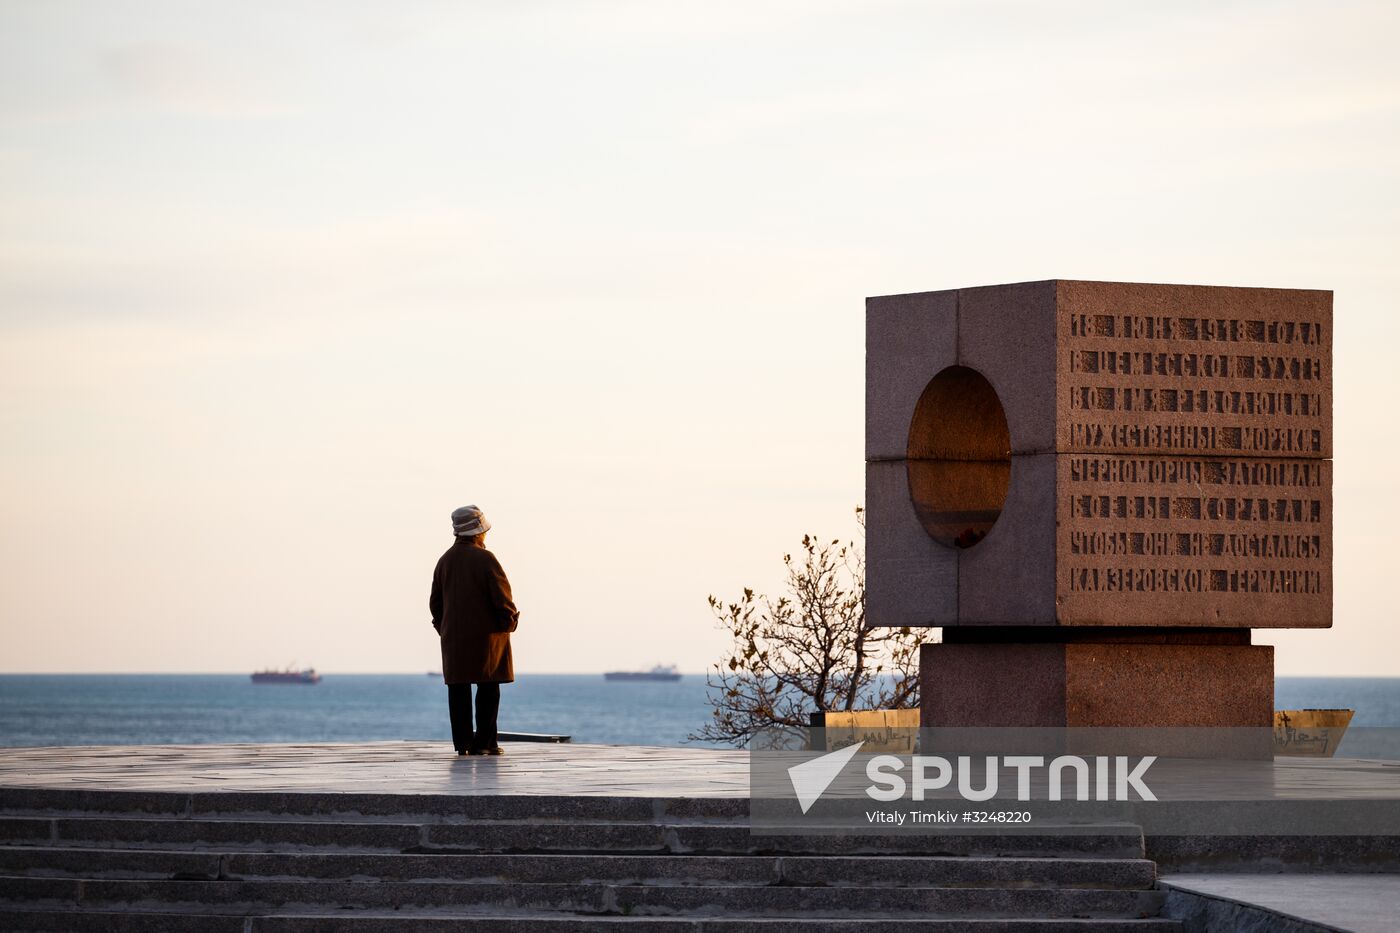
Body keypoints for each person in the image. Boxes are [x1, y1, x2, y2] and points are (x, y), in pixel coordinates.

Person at [429, 504, 519, 756]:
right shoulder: (486, 559)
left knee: (458, 690)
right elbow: (502, 597)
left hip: (453, 639)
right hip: (487, 638)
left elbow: (435, 603)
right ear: (479, 532)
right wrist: (509, 622)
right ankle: (485, 744)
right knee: (488, 687)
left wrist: (444, 628)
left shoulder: (444, 561)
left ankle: (463, 745)